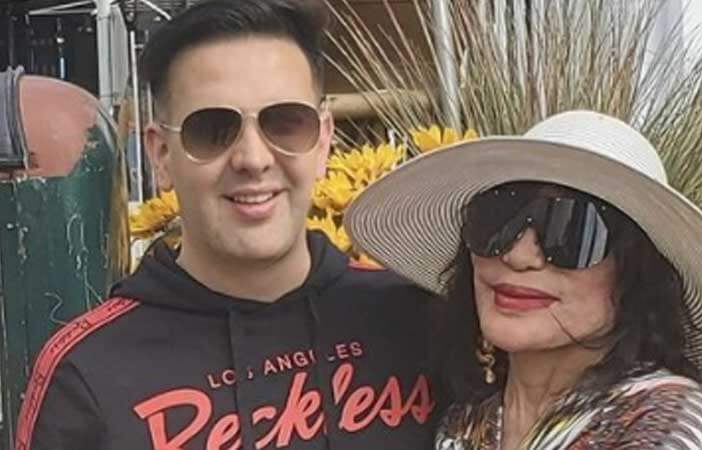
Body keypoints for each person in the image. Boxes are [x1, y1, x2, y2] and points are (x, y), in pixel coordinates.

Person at [14, 1, 441, 449]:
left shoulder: (419, 321)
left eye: (285, 123)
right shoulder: (88, 374)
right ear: (161, 155)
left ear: (322, 142)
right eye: (212, 129)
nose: (253, 159)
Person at [345, 110, 702, 449]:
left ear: (634, 273)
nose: (518, 256)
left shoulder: (661, 418)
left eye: (572, 233)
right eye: (497, 221)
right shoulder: (469, 422)